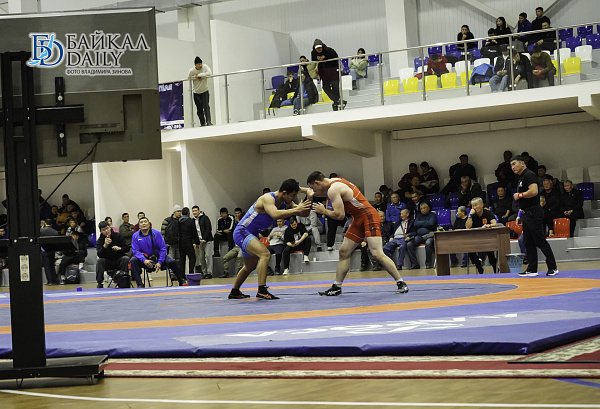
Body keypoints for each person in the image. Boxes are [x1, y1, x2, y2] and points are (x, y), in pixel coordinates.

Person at [307, 171, 409, 296]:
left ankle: (401, 282)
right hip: (358, 218)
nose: (313, 191)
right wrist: (300, 189)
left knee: (377, 253)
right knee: (344, 252)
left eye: (312, 188)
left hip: (369, 216)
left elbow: (340, 215)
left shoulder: (333, 189)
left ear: (317, 182)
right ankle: (336, 287)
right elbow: (319, 191)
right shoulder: (335, 181)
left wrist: (324, 211)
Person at [229, 179, 312, 300]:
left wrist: (309, 196)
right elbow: (275, 214)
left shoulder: (286, 202)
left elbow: (304, 213)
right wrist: (296, 209)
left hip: (252, 233)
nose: (294, 198)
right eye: (293, 195)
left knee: (250, 266)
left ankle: (235, 291)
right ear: (284, 193)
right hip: (242, 231)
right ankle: (262, 290)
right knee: (265, 254)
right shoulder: (268, 198)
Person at [511, 154, 558, 277]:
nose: (512, 167)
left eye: (514, 164)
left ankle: (553, 267)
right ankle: (532, 269)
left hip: (534, 212)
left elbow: (534, 191)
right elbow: (524, 201)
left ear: (522, 163)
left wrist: (519, 195)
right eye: (511, 165)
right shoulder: (521, 177)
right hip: (526, 213)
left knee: (540, 240)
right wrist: (520, 214)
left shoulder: (529, 175)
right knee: (528, 242)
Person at [130, 216, 187, 288]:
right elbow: (135, 251)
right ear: (139, 225)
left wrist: (160, 262)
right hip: (144, 259)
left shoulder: (156, 233)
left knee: (172, 261)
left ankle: (181, 280)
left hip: (158, 257)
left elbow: (163, 248)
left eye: (145, 222)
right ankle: (140, 284)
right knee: (133, 260)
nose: (143, 223)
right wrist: (144, 260)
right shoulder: (135, 236)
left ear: (149, 224)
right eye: (141, 222)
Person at [465, 197, 498, 274]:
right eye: (473, 206)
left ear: (482, 204)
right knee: (470, 250)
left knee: (490, 254)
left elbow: (494, 224)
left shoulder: (488, 213)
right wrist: (470, 215)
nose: (475, 207)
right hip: (475, 239)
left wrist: (488, 226)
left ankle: (496, 270)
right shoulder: (472, 215)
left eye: (476, 205)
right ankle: (479, 267)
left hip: (487, 238)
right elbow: (467, 227)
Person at [311, 39, 345, 111]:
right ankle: (338, 101)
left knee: (335, 87)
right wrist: (317, 59)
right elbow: (313, 59)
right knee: (325, 88)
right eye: (317, 48)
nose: (319, 49)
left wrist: (325, 57)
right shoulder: (313, 53)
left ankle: (336, 103)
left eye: (320, 47)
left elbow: (336, 57)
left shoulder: (329, 50)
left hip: (333, 71)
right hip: (324, 73)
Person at [95, 220, 130, 288]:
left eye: (107, 228)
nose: (106, 231)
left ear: (110, 227)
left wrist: (120, 248)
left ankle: (124, 279)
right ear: (100, 231)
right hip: (108, 262)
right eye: (103, 230)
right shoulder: (100, 240)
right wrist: (104, 246)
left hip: (119, 260)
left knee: (125, 259)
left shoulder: (118, 235)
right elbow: (99, 254)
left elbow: (127, 248)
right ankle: (100, 283)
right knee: (100, 261)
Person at [407, 202, 437, 269]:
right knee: (409, 244)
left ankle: (428, 263)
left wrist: (421, 224)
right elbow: (415, 224)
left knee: (428, 243)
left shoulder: (432, 215)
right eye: (421, 208)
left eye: (424, 208)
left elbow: (431, 223)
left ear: (428, 208)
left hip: (429, 235)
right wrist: (426, 223)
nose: (423, 210)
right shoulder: (419, 216)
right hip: (419, 236)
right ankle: (414, 264)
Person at [188, 56, 212, 126]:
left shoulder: (205, 67)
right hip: (196, 92)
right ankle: (202, 123)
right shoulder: (192, 71)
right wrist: (195, 77)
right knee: (199, 109)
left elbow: (209, 73)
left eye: (201, 63)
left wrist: (199, 75)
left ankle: (209, 121)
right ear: (195, 65)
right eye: (198, 64)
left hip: (205, 91)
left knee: (206, 107)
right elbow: (189, 78)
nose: (200, 65)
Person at [191, 205, 213, 277]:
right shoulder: (192, 220)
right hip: (199, 241)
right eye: (193, 211)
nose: (194, 212)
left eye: (195, 211)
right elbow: (193, 232)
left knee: (208, 256)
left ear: (199, 211)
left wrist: (205, 238)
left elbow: (208, 228)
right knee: (201, 257)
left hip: (207, 240)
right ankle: (204, 272)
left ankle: (209, 272)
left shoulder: (205, 218)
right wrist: (195, 242)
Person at [178, 207, 200, 275]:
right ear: (188, 213)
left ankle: (182, 275)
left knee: (182, 259)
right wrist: (197, 242)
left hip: (180, 242)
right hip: (188, 242)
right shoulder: (190, 221)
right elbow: (194, 232)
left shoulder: (178, 221)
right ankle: (191, 273)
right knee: (192, 258)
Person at [40, 219, 59, 285]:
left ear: (45, 223)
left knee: (47, 266)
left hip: (44, 250)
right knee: (52, 266)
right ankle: (54, 280)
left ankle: (50, 281)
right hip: (52, 250)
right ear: (51, 224)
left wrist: (41, 228)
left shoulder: (41, 230)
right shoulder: (55, 232)